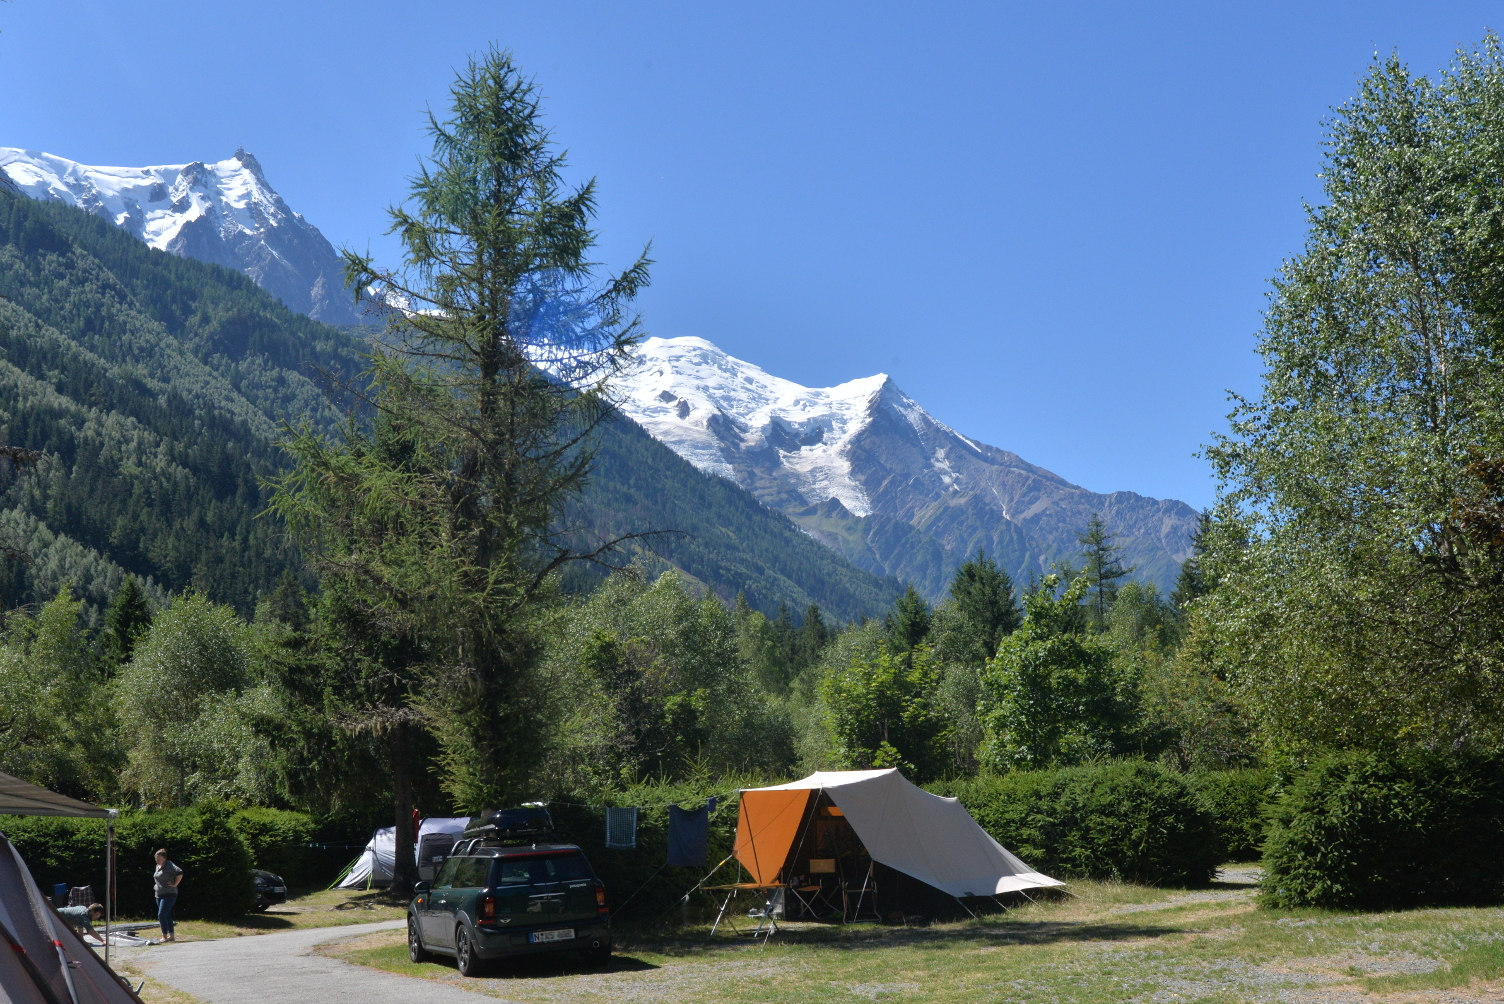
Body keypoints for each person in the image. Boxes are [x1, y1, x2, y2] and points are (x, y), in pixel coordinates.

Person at [153, 849, 182, 942]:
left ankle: (164, 936)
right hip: (159, 894)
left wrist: (175, 884)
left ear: (164, 858)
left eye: (159, 858)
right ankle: (171, 936)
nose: (158, 860)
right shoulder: (157, 866)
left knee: (161, 915)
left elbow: (180, 872)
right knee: (167, 915)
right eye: (156, 858)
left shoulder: (169, 865)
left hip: (169, 893)